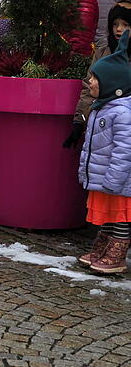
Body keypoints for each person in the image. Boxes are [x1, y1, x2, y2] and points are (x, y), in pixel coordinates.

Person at [75, 31, 131, 273]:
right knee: (108, 213)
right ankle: (104, 245)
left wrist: (114, 178)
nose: (91, 83)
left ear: (114, 85)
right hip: (105, 177)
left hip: (118, 180)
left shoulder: (123, 112)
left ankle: (117, 252)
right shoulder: (103, 107)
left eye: (96, 79)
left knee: (119, 215)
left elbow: (125, 150)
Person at [65, 0, 131, 148]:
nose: (119, 29)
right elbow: (89, 88)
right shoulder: (102, 53)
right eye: (115, 24)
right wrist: (80, 121)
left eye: (125, 25)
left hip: (125, 127)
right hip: (100, 125)